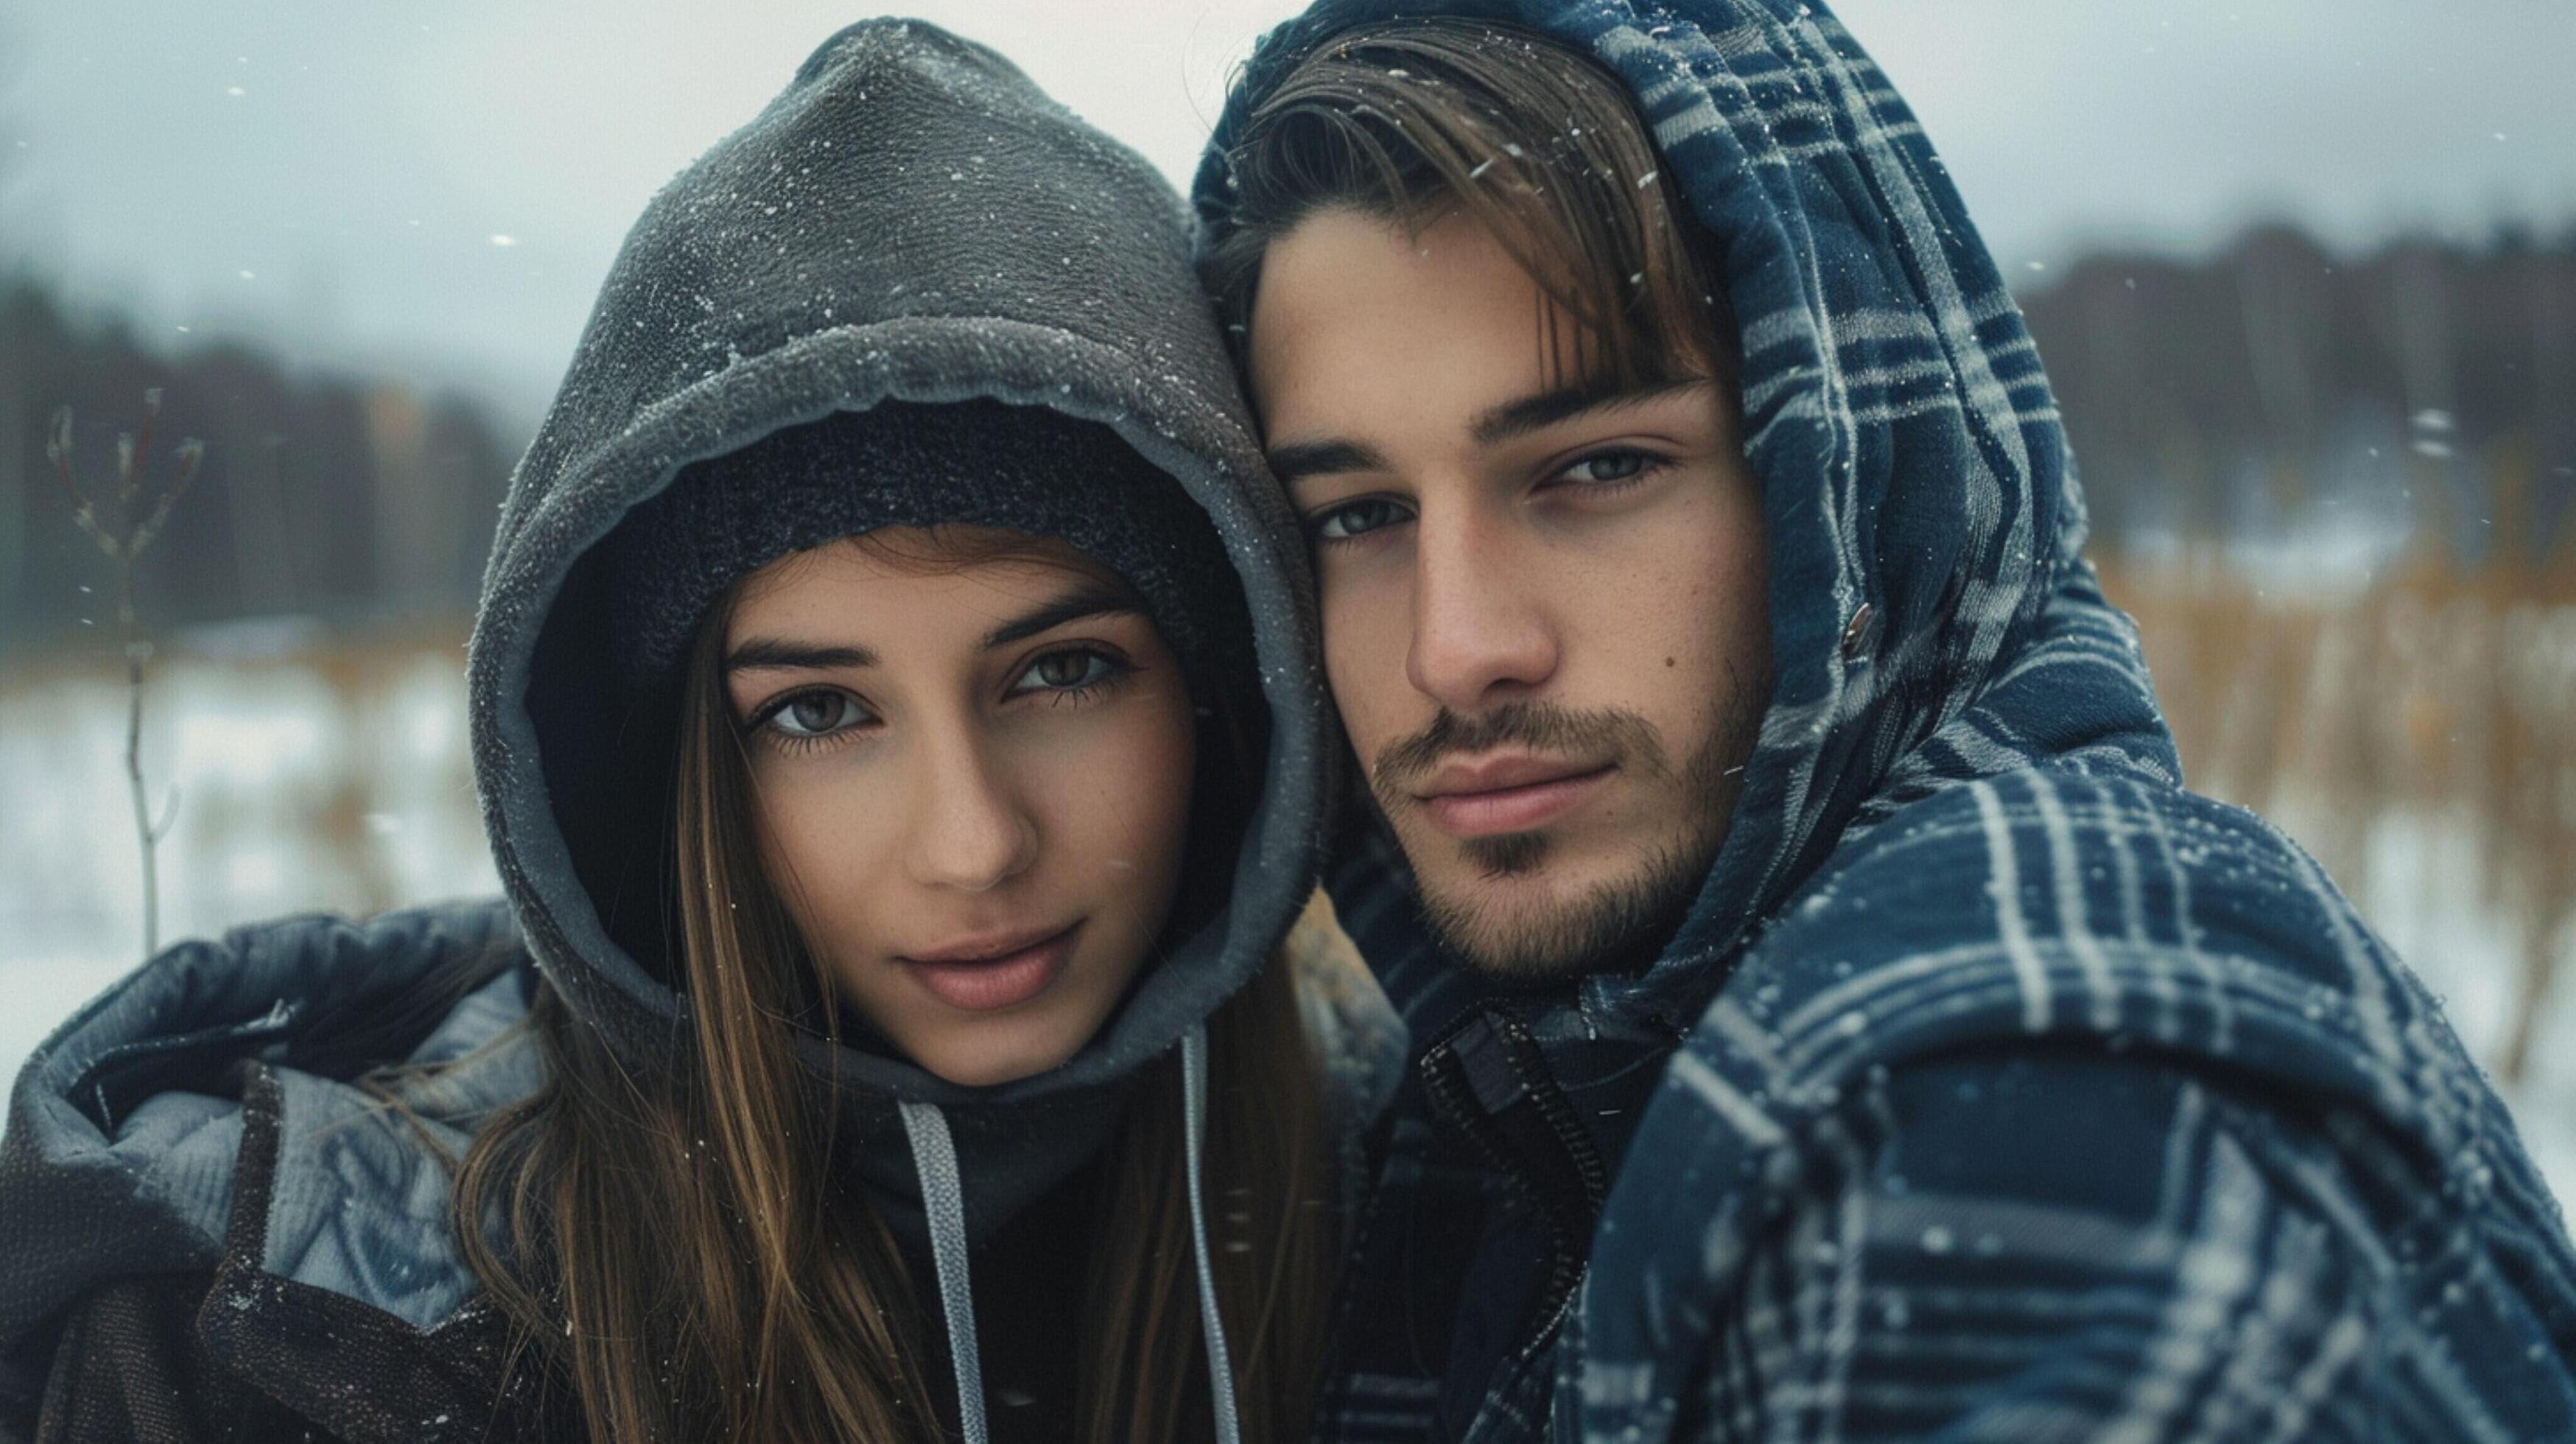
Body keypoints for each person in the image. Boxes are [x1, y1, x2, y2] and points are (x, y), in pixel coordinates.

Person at [0, 21, 1400, 1444]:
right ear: (680, 763)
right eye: (817, 711)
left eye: (1060, 673)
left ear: (1230, 685)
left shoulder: (1416, 1191)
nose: (973, 843)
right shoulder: (284, 1346)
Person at [1196, 1, 2576, 1438]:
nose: (1459, 647)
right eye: (1357, 514)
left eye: (1597, 467)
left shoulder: (2043, 1109)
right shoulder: (1511, 1100)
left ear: (1846, 473)